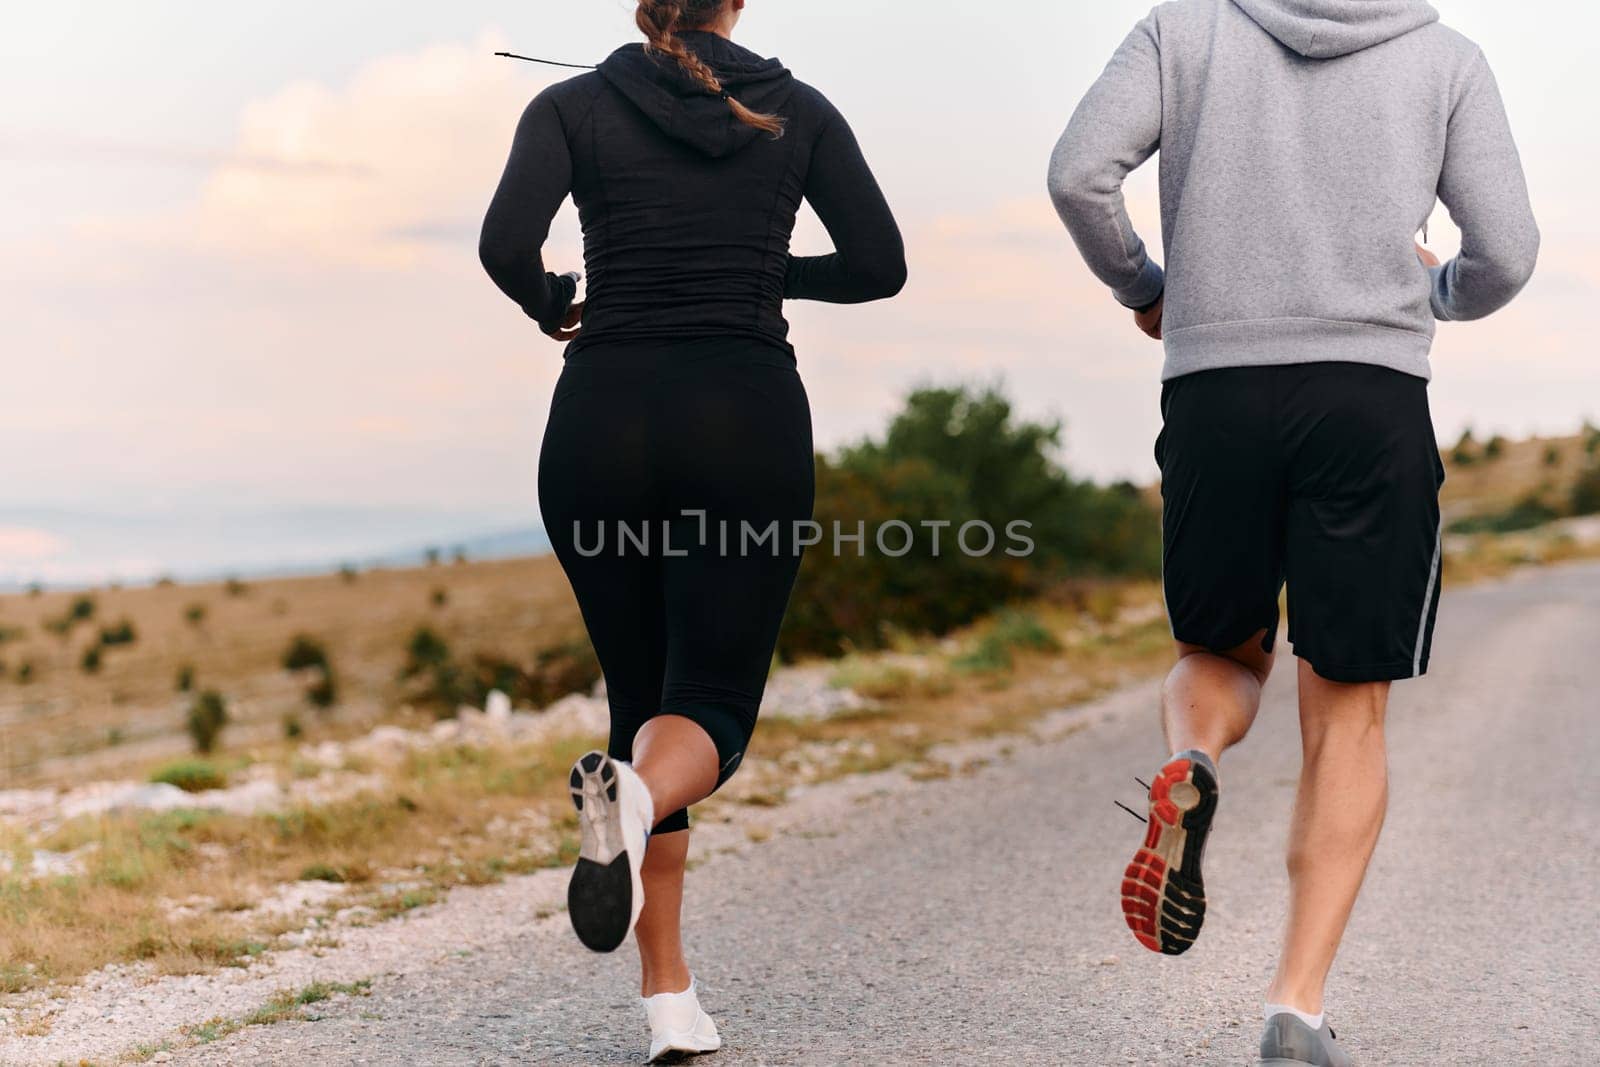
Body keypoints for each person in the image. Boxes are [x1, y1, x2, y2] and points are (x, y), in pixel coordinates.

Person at [1048, 1, 1536, 1063]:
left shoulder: (1181, 32)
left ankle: (1191, 760)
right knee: (1347, 713)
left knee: (1215, 653)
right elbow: (1509, 251)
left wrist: (1149, 289)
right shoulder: (1443, 56)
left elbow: (1078, 172)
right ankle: (1293, 1008)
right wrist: (1434, 288)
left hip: (1216, 391)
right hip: (1367, 398)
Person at [479, 0, 905, 1059]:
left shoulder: (570, 104)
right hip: (740, 418)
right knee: (707, 704)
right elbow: (878, 263)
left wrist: (553, 299)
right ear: (738, 2)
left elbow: (502, 244)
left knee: (642, 704)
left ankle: (668, 997)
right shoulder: (796, 110)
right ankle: (637, 843)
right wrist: (761, 273)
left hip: (597, 424)